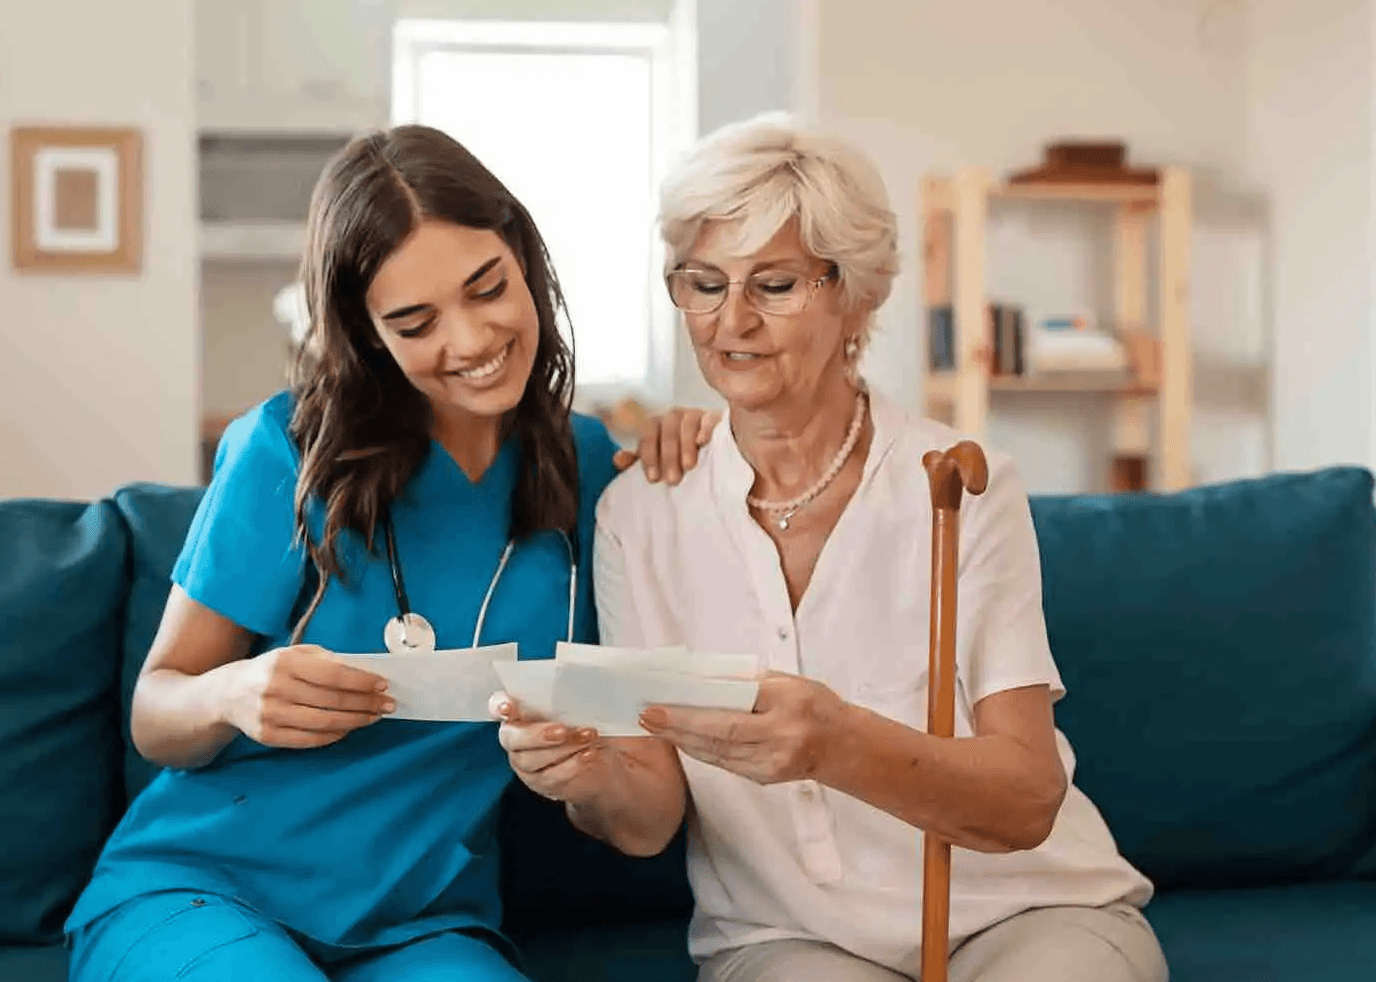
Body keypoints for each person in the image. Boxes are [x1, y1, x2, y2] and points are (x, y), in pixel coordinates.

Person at [493, 114, 1169, 982]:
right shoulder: (643, 512)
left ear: (856, 293)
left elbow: (1026, 797)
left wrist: (834, 741)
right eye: (702, 283)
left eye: (773, 285)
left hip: (1030, 909)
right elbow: (649, 816)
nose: (729, 321)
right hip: (787, 939)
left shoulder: (962, 483)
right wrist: (586, 773)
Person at [63, 124, 707, 982]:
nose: (471, 341)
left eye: (488, 289)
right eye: (416, 322)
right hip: (202, 889)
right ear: (368, 334)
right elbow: (157, 709)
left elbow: (644, 823)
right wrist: (235, 692)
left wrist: (586, 768)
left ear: (522, 257)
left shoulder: (598, 473)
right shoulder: (286, 453)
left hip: (422, 924)